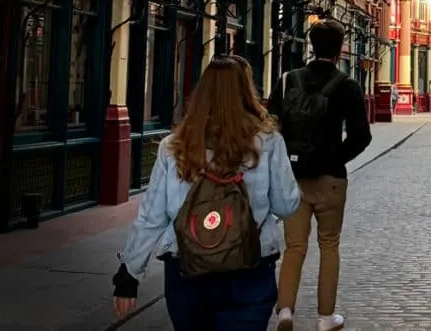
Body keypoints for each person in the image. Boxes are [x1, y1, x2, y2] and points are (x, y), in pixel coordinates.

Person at [111, 56, 301, 330]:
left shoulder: (173, 146)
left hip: (187, 268)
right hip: (249, 267)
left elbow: (152, 217)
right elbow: (285, 206)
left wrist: (129, 275)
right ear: (247, 91)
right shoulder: (268, 142)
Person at [269, 19, 373, 331]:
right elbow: (362, 136)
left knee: (294, 247)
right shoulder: (347, 85)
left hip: (293, 177)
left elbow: (271, 127)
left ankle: (285, 310)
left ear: (311, 46)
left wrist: (286, 163)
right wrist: (334, 158)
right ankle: (326, 318)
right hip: (330, 180)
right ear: (341, 49)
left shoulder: (287, 80)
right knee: (329, 244)